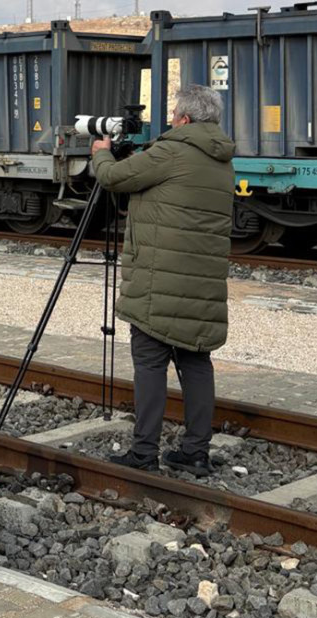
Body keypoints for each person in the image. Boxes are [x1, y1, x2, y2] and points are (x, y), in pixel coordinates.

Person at [90, 84, 236, 476]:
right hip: (203, 285)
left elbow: (115, 178)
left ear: (185, 119)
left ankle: (143, 452)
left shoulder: (171, 150)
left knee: (150, 361)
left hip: (159, 284)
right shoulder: (221, 159)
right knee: (196, 361)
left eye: (173, 115)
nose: (170, 120)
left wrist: (101, 155)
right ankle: (195, 451)